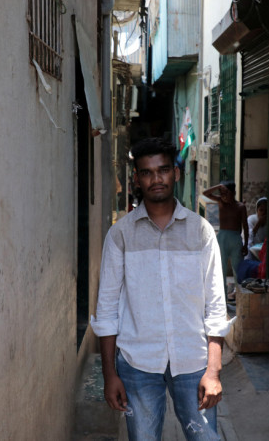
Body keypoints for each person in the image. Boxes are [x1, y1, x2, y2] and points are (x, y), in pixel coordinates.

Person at [91, 138, 234, 441]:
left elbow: (216, 306)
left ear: (176, 174)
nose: (156, 179)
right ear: (137, 180)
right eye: (147, 172)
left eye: (163, 170)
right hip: (137, 364)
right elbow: (106, 310)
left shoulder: (201, 232)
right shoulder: (121, 235)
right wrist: (110, 375)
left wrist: (213, 371)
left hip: (194, 363)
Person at [202, 181, 249, 299]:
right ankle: (222, 301)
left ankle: (240, 299)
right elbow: (205, 193)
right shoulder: (220, 202)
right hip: (222, 238)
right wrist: (218, 186)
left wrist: (246, 244)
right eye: (221, 193)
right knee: (220, 269)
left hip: (236, 239)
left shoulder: (240, 207)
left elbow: (245, 226)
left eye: (226, 193)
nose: (223, 196)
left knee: (238, 270)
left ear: (233, 193)